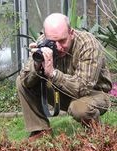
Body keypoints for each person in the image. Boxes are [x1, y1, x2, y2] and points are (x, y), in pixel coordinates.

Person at [16, 13, 112, 141]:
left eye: (62, 41)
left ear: (71, 33)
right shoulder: (43, 42)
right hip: (62, 90)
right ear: (45, 35)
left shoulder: (87, 44)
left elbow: (82, 88)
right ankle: (40, 130)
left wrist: (53, 73)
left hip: (93, 93)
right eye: (53, 42)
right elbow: (25, 81)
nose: (58, 47)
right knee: (21, 81)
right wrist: (36, 64)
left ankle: (96, 133)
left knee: (79, 108)